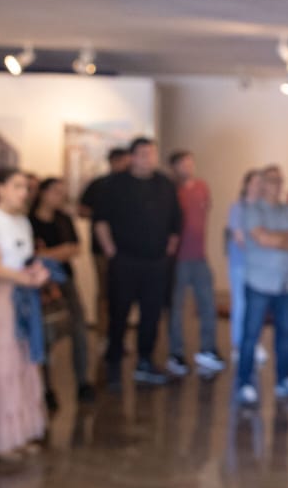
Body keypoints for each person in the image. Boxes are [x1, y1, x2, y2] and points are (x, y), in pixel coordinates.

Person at [0, 168, 50, 462]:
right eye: (17, 186)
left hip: (22, 296)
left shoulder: (21, 220)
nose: (23, 193)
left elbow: (24, 259)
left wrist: (36, 272)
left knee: (21, 362)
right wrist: (25, 278)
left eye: (26, 187)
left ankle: (20, 433)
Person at [91, 138, 182, 388]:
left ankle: (145, 361)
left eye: (152, 153)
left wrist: (169, 248)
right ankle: (113, 363)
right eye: (142, 154)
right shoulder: (114, 184)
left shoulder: (165, 184)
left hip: (156, 262)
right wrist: (110, 250)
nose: (148, 158)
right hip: (125, 260)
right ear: (132, 157)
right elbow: (100, 220)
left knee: (151, 314)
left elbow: (175, 221)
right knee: (119, 312)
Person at [235, 165, 288, 408]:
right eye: (271, 180)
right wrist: (286, 238)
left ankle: (283, 380)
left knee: (285, 336)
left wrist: (277, 238)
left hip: (285, 285)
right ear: (263, 184)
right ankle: (244, 382)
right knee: (251, 335)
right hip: (259, 283)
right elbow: (262, 238)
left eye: (279, 180)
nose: (276, 185)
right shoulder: (252, 210)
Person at [30, 177, 93, 403]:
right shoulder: (30, 220)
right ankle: (47, 387)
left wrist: (46, 254)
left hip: (65, 280)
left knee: (78, 329)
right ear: (43, 193)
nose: (60, 197)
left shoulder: (63, 219)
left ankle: (82, 380)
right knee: (45, 332)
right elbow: (32, 254)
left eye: (62, 192)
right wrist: (57, 252)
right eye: (56, 191)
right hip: (40, 284)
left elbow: (74, 248)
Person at [168, 152, 224, 377]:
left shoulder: (202, 187)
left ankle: (208, 350)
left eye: (190, 162)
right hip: (177, 259)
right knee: (176, 308)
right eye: (183, 163)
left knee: (208, 304)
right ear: (174, 167)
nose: (188, 166)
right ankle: (176, 354)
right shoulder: (170, 191)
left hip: (199, 257)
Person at [79, 146, 130, 331]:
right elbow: (82, 210)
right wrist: (102, 215)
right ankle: (103, 332)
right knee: (104, 292)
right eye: (125, 162)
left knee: (124, 292)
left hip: (128, 249)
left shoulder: (132, 185)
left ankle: (119, 332)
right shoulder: (99, 184)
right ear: (114, 162)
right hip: (101, 249)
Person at [225, 170, 267, 367]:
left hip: (261, 267)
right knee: (240, 305)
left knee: (258, 307)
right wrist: (263, 243)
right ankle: (238, 346)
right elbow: (240, 238)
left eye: (261, 183)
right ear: (247, 184)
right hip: (240, 265)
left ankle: (254, 344)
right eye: (254, 182)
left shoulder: (264, 209)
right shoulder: (237, 208)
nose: (258, 186)